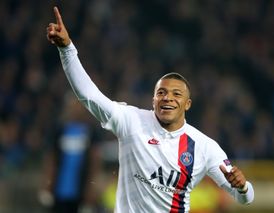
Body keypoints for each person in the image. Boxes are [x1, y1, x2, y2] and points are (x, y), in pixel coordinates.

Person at [46, 6, 254, 212]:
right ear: (153, 100)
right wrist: (67, 49)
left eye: (176, 94)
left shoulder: (204, 146)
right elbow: (89, 95)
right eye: (161, 93)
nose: (168, 98)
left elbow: (244, 198)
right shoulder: (131, 121)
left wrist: (242, 187)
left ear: (187, 104)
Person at [39, 93, 102, 213]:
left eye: (79, 105)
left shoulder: (91, 131)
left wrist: (91, 188)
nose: (76, 108)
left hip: (80, 191)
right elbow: (51, 158)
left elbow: (95, 161)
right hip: (59, 190)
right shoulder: (59, 129)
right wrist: (47, 184)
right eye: (73, 105)